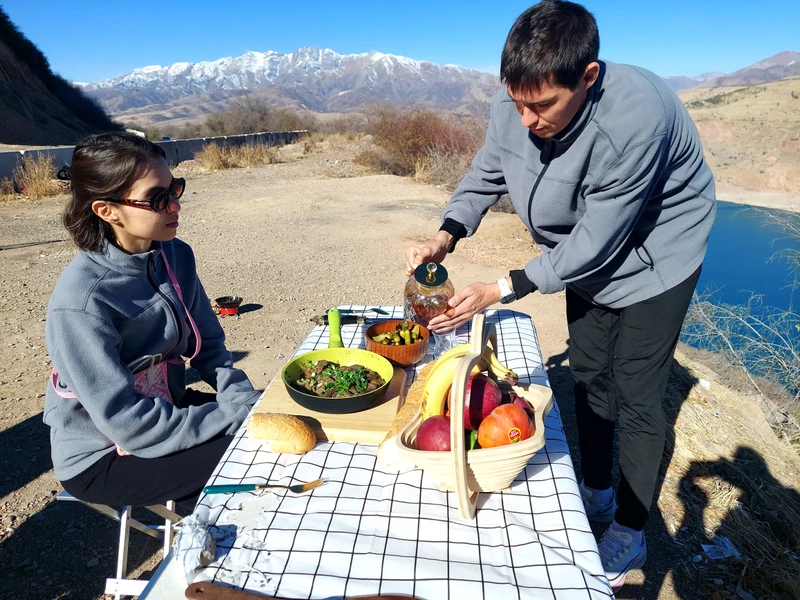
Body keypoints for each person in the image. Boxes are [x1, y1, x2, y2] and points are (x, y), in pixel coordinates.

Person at [406, 0, 716, 589]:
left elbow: (602, 235)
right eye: (516, 101)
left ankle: (628, 528)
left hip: (657, 256)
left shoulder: (635, 118)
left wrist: (506, 285)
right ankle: (597, 490)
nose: (525, 118)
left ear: (588, 77)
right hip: (585, 254)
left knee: (637, 388)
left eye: (542, 106)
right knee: (592, 370)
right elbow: (488, 169)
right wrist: (446, 234)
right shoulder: (522, 94)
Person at [44, 132, 261, 507]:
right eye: (157, 199)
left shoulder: (175, 256)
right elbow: (127, 422)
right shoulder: (82, 301)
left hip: (164, 409)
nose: (174, 206)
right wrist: (232, 416)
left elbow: (209, 347)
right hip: (104, 454)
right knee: (261, 457)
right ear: (107, 210)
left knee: (274, 421)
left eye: (175, 189)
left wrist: (241, 400)